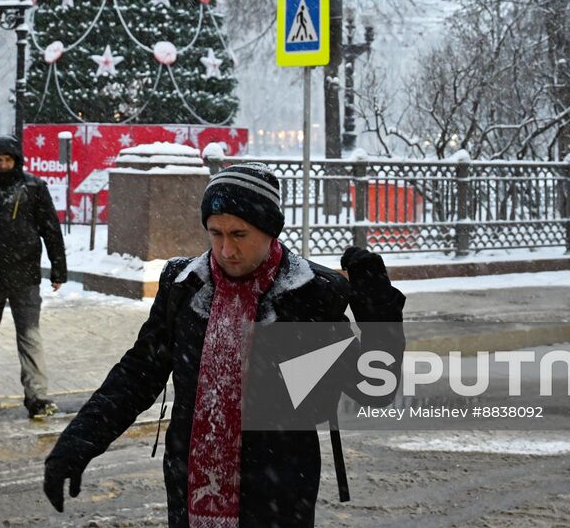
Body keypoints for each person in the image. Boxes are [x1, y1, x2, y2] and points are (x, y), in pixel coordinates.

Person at [42, 162, 405, 527]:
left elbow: (373, 388)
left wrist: (380, 316)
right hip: (194, 486)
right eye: (215, 233)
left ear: (269, 231)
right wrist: (79, 441)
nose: (226, 249)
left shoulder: (305, 295)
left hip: (277, 493)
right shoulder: (185, 287)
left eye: (239, 233)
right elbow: (139, 374)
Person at [0, 134, 67, 418]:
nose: (3, 165)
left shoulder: (33, 188)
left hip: (25, 275)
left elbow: (50, 229)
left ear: (17, 160)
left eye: (8, 160)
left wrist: (58, 269)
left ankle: (37, 396)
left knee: (30, 337)